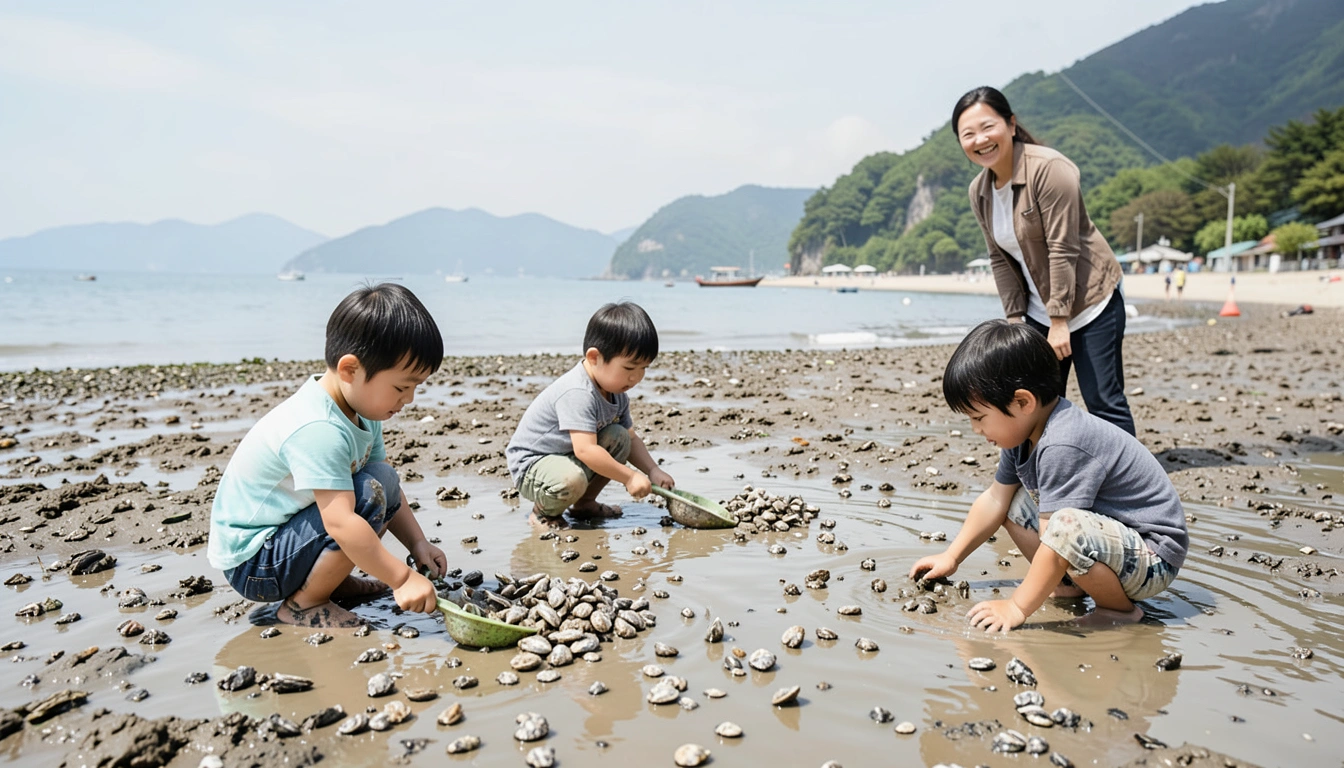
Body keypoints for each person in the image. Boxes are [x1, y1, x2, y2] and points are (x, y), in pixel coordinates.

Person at [909, 320, 1187, 631]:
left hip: (1152, 557)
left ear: (1023, 402)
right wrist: (952, 556)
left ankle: (1119, 610)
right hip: (1113, 541)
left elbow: (1058, 537)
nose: (976, 429)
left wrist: (1017, 606)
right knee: (1012, 503)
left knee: (1063, 527)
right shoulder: (1023, 434)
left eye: (979, 417)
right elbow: (994, 500)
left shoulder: (1062, 442)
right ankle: (1068, 586)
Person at [207, 283, 448, 628]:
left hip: (286, 541)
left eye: (415, 387)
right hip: (255, 564)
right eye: (401, 387)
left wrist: (418, 542)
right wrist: (402, 578)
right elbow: (340, 522)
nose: (408, 399)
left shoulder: (362, 410)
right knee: (366, 494)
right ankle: (305, 604)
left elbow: (387, 487)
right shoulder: (318, 428)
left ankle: (331, 581)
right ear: (350, 369)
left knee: (382, 481)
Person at [953, 86, 1135, 435]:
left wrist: (1060, 320)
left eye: (988, 127)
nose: (981, 140)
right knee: (1036, 401)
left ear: (1011, 124)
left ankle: (1129, 482)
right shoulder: (980, 191)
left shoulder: (1049, 168)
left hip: (1091, 300)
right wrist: (1014, 321)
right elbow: (999, 257)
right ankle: (1042, 477)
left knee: (1103, 400)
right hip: (1040, 310)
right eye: (969, 134)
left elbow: (1062, 247)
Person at [506, 302, 675, 524]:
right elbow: (585, 450)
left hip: (564, 457)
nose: (636, 377)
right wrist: (630, 477)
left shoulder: (616, 392)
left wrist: (653, 470)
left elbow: (631, 440)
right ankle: (543, 513)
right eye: (629, 368)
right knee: (571, 479)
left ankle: (584, 504)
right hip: (532, 466)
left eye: (644, 368)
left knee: (620, 437)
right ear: (594, 357)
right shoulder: (578, 391)